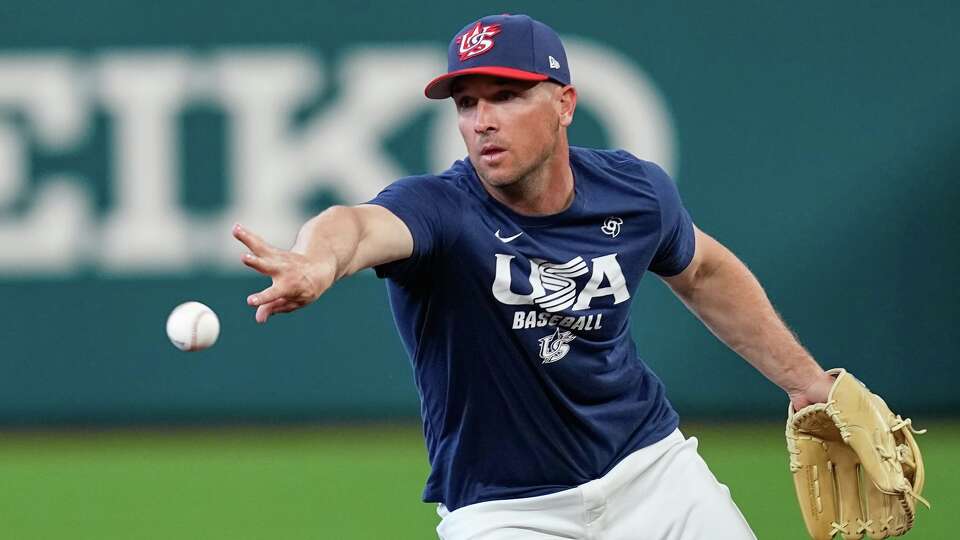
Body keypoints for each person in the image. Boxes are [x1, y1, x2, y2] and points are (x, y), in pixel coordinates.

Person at [233, 13, 836, 540]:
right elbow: (358, 226)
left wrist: (807, 383)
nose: (482, 120)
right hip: (504, 511)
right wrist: (318, 259)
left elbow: (702, 270)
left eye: (508, 95)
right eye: (467, 102)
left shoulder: (634, 192)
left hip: (651, 472)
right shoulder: (440, 209)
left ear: (565, 103)